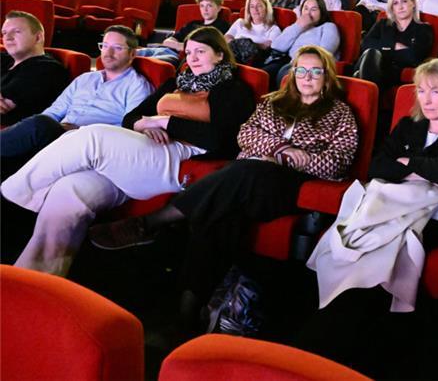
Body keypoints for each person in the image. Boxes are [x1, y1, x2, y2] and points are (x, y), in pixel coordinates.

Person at [88, 45, 358, 326]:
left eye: (316, 71)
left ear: (327, 77)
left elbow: (337, 162)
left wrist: (286, 161)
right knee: (221, 212)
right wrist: (282, 148)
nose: (307, 76)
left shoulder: (339, 114)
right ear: (293, 73)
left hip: (288, 186)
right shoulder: (274, 101)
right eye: (301, 69)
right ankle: (188, 308)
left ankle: (153, 222)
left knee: (246, 172)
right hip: (247, 177)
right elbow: (246, 134)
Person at [0, 26, 256, 276]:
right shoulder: (177, 82)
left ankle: (10, 194)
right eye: (188, 53)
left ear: (220, 54)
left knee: (91, 136)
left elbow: (222, 139)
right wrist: (144, 123)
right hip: (142, 153)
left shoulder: (234, 90)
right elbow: (131, 117)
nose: (192, 59)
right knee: (67, 193)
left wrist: (164, 122)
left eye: (200, 51)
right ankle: (35, 281)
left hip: (179, 157)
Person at [298, 58, 438, 371]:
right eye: (421, 91)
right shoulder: (409, 125)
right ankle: (321, 345)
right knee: (356, 245)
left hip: (430, 215)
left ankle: (338, 348)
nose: (425, 99)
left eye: (434, 91)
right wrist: (427, 171)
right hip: (385, 203)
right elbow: (376, 167)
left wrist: (406, 163)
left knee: (382, 255)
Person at [1, 25, 153, 174]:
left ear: (132, 54)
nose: (108, 52)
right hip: (57, 135)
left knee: (39, 125)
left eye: (118, 48)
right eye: (105, 46)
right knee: (25, 142)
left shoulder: (137, 86)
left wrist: (79, 130)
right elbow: (54, 112)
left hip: (88, 143)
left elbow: (129, 129)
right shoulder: (85, 79)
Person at [354, 0, 433, 90]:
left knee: (363, 67)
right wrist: (394, 46)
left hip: (393, 73)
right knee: (371, 53)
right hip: (375, 67)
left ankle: (366, 96)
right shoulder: (383, 24)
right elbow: (365, 44)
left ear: (413, 3)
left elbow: (415, 57)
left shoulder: (424, 29)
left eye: (404, 1)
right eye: (395, 3)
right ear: (392, 8)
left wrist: (383, 48)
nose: (400, 7)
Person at [0, 11, 69, 126]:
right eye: (4, 33)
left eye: (16, 32)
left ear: (38, 37)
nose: (8, 38)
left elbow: (4, 107)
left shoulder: (46, 69)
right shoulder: (4, 59)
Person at [263, 0, 340, 87]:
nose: (308, 13)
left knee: (286, 75)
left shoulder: (328, 26)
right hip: (288, 62)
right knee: (264, 74)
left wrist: (300, 60)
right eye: (306, 9)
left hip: (310, 67)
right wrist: (298, 26)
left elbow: (325, 51)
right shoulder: (298, 26)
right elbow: (276, 46)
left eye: (313, 9)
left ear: (321, 12)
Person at [137, 0, 229, 65]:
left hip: (176, 57)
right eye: (202, 6)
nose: (205, 10)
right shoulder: (192, 24)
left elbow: (211, 48)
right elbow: (167, 41)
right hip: (164, 50)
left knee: (146, 62)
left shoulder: (223, 27)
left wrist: (182, 47)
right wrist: (182, 46)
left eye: (209, 6)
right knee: (128, 54)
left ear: (219, 8)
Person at [225, 0, 282, 65]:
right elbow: (226, 38)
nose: (255, 9)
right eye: (252, 6)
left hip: (253, 62)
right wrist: (242, 44)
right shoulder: (240, 22)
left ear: (266, 8)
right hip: (231, 57)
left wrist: (243, 43)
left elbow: (266, 47)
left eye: (259, 6)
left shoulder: (274, 29)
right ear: (248, 10)